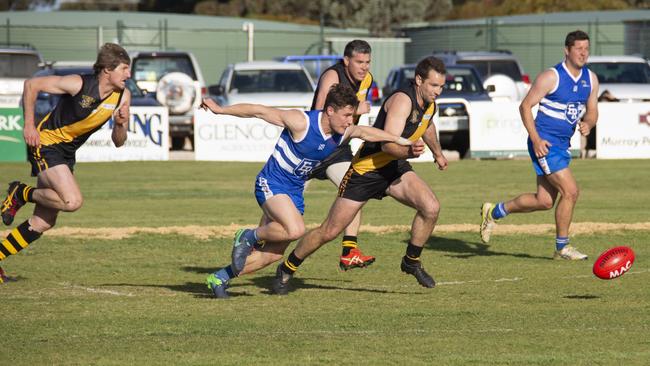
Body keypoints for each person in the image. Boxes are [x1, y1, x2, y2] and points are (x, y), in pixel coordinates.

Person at [201, 84, 412, 298]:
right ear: (330, 110)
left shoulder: (343, 132)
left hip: (293, 192)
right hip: (272, 182)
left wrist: (397, 139)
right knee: (296, 230)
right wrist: (220, 110)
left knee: (273, 255)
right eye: (347, 115)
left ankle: (219, 278)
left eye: (352, 114)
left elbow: (365, 131)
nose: (351, 120)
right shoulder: (301, 121)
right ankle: (248, 235)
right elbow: (258, 110)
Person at [271, 56, 449, 295]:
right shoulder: (402, 101)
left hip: (394, 168)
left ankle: (411, 261)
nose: (438, 91)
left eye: (441, 86)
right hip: (366, 171)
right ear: (419, 80)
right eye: (434, 85)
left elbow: (426, 124)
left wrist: (437, 153)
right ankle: (287, 268)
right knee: (330, 231)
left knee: (431, 207)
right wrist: (409, 151)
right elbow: (388, 144)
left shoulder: (429, 103)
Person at [0, 43, 132, 283]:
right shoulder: (79, 83)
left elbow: (119, 142)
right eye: (124, 69)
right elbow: (32, 84)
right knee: (72, 201)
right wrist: (28, 125)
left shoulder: (123, 96)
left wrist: (121, 124)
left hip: (66, 154)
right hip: (46, 144)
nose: (129, 74)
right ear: (107, 70)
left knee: (43, 222)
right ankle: (21, 193)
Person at [480, 30, 599, 260]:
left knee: (543, 201)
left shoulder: (591, 79)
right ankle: (562, 247)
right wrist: (535, 139)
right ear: (567, 50)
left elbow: (593, 111)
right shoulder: (551, 76)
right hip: (545, 143)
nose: (584, 53)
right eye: (579, 49)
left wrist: (589, 124)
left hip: (562, 146)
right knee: (571, 192)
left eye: (586, 48)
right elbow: (525, 107)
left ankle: (493, 212)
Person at [308, 39, 376, 271]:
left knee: (356, 190)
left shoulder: (367, 79)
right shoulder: (332, 76)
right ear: (346, 60)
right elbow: (320, 113)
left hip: (338, 148)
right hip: (310, 148)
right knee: (285, 203)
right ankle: (256, 240)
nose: (364, 66)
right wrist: (357, 109)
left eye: (367, 61)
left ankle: (349, 251)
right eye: (359, 61)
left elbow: (351, 118)